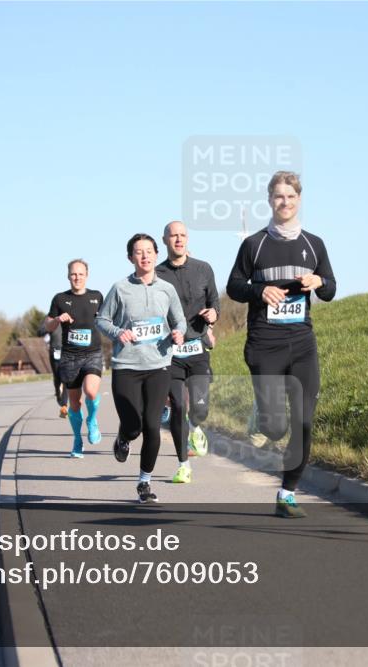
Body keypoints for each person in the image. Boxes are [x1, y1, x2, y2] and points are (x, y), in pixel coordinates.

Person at [226, 171, 336, 518]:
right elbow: (233, 286)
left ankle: (287, 492)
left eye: (290, 196)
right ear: (269, 200)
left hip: (302, 343)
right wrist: (259, 290)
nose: (284, 202)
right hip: (265, 344)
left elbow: (330, 290)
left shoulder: (314, 244)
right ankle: (263, 416)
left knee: (304, 422)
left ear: (299, 199)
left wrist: (319, 280)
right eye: (278, 196)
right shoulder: (254, 245)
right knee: (276, 427)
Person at [96, 233, 186, 503]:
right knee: (134, 426)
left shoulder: (167, 289)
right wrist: (117, 332)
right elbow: (102, 319)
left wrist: (179, 333)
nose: (145, 256)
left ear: (156, 255)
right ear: (130, 258)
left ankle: (144, 483)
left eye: (149, 251)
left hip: (158, 365)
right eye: (139, 252)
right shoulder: (120, 288)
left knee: (152, 426)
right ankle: (124, 438)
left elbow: (179, 320)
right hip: (126, 366)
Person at [155, 221, 219, 484]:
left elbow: (215, 301)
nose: (178, 240)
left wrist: (214, 314)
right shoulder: (156, 274)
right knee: (179, 406)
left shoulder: (203, 268)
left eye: (182, 235)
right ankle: (184, 465)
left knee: (200, 409)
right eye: (173, 236)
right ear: (165, 240)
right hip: (170, 353)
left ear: (187, 239)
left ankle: (196, 428)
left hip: (198, 348)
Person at [44, 259, 105, 458]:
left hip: (93, 354)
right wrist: (57, 320)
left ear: (87, 275)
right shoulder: (60, 299)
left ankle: (92, 420)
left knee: (91, 391)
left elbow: (107, 320)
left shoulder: (97, 297)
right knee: (75, 403)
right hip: (70, 357)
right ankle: (77, 439)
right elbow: (48, 326)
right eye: (73, 274)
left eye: (80, 274)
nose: (77, 277)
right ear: (68, 276)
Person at [44, 328, 69, 418]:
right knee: (57, 377)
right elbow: (42, 333)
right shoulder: (52, 320)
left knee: (65, 378)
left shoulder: (68, 319)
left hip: (66, 350)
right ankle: (58, 394)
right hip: (55, 351)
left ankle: (64, 405)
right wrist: (48, 329)